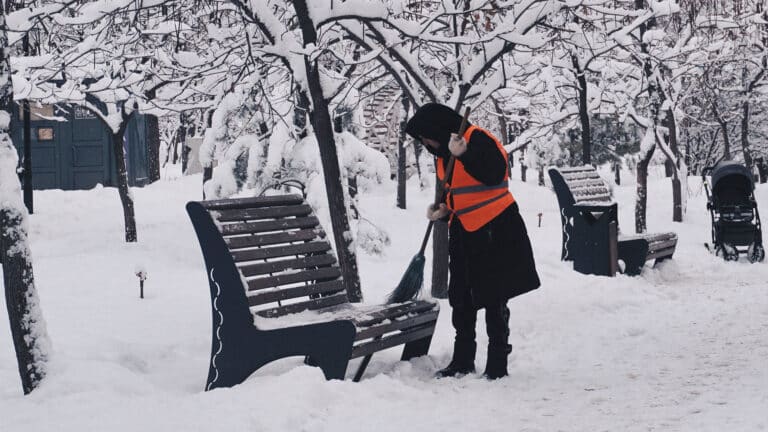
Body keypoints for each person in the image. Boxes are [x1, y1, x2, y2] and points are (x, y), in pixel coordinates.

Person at [405, 103, 540, 379]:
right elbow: (460, 192)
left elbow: (493, 172)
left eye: (425, 137)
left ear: (437, 129)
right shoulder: (444, 156)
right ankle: (463, 358)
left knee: (493, 296)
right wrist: (443, 212)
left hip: (495, 228)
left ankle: (497, 361)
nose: (425, 143)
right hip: (464, 230)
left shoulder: (478, 139)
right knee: (461, 298)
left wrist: (465, 152)